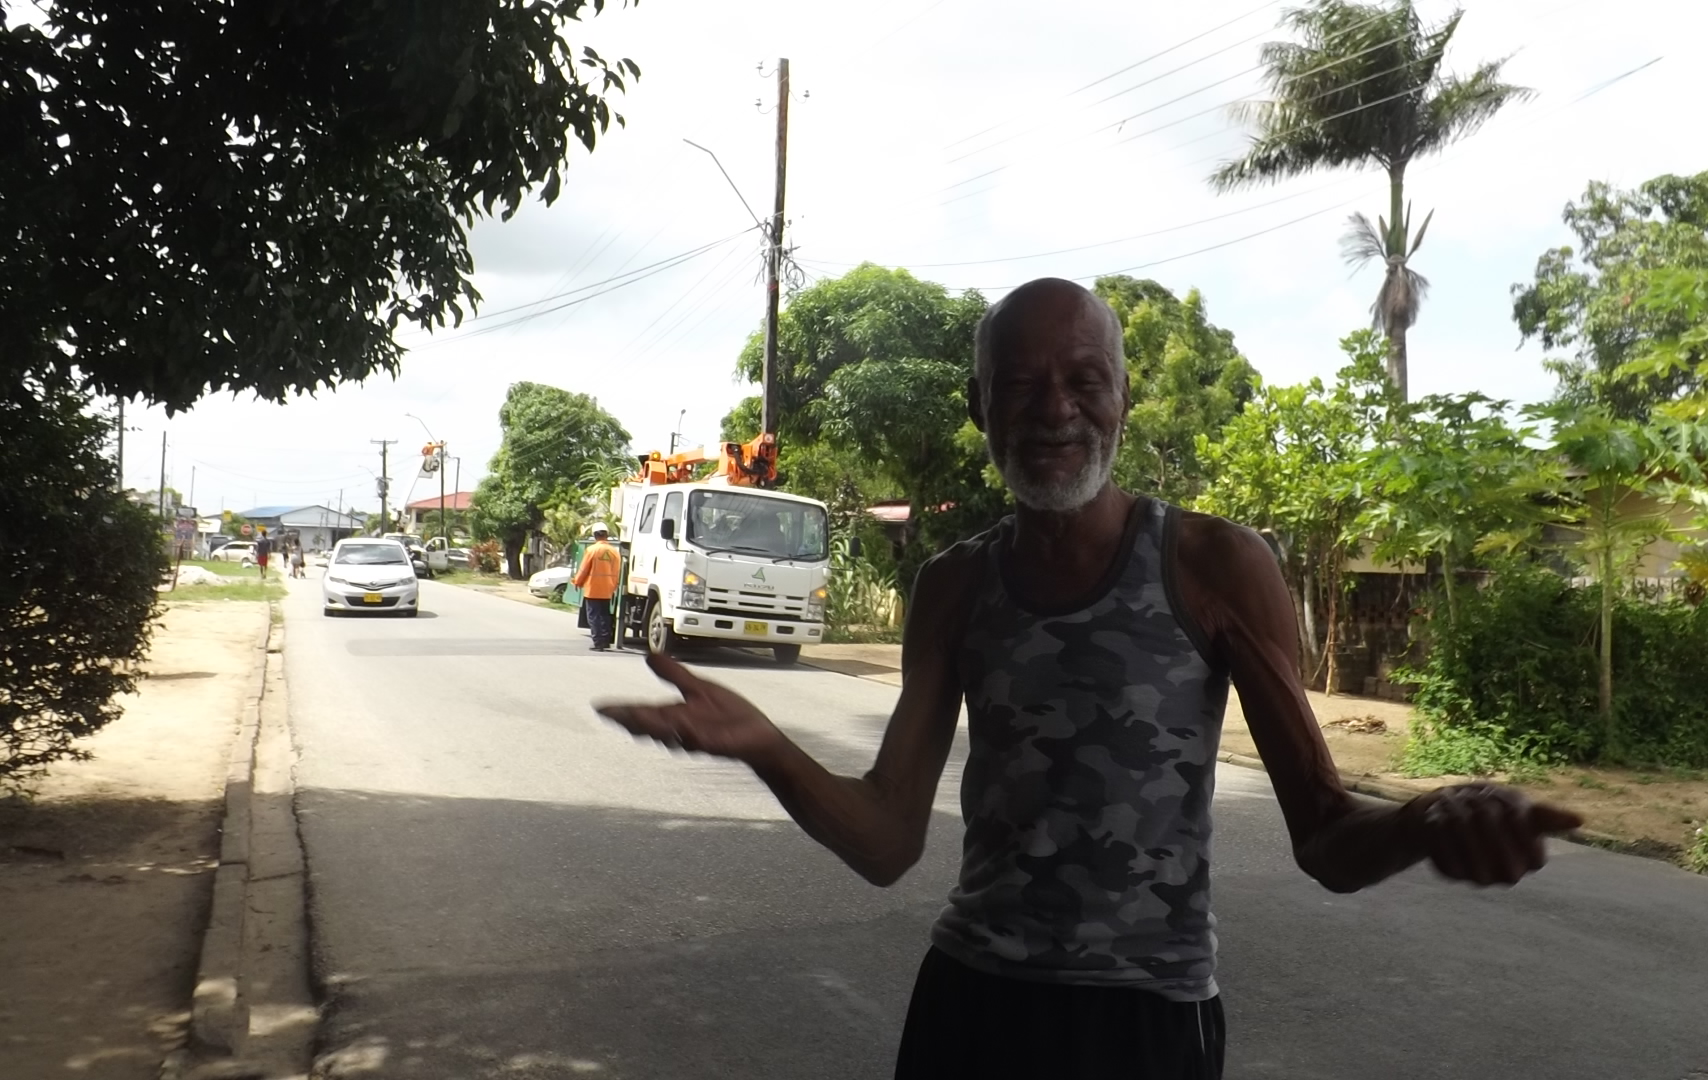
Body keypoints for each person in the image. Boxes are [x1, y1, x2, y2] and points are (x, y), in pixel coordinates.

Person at [596, 278, 1582, 1079]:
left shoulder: (1215, 564)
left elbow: (1325, 835)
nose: (1055, 409)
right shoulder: (955, 586)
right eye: (1021, 385)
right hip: (970, 1008)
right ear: (980, 407)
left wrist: (1427, 820)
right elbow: (889, 840)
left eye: (1084, 378)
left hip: (1146, 1024)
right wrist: (768, 747)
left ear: (1123, 395)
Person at [574, 523, 621, 652]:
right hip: (607, 590)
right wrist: (614, 586)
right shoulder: (614, 552)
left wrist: (577, 582)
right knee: (605, 615)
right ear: (607, 535)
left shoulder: (592, 550)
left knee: (593, 616)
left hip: (593, 588)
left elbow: (584, 569)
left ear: (595, 535)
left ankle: (598, 642)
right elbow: (617, 571)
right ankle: (605, 641)